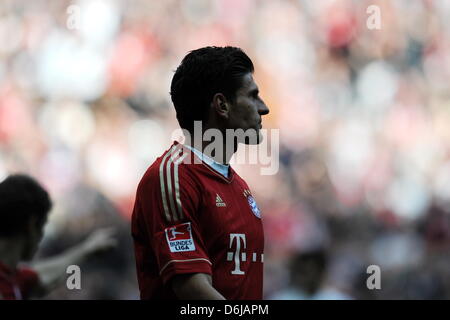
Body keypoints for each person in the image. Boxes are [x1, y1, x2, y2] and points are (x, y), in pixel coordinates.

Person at [131, 46, 270, 299]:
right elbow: (191, 288)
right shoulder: (174, 176)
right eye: (253, 96)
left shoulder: (238, 186)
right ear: (222, 105)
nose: (264, 108)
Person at [0, 174, 116, 300]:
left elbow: (44, 274)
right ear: (31, 225)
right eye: (42, 226)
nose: (40, 238)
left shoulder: (11, 277)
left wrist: (86, 249)